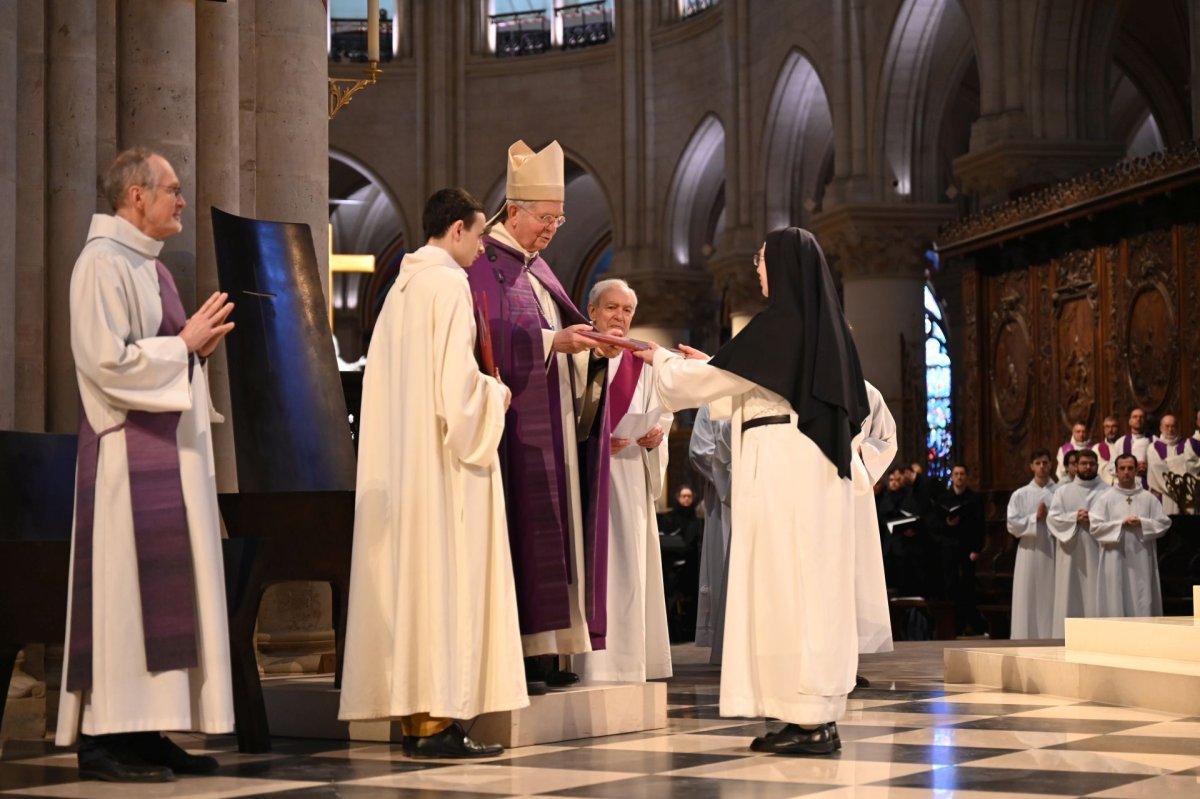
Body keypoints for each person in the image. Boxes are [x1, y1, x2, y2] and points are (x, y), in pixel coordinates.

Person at [633, 227, 870, 756]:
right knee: (809, 590)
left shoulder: (780, 325)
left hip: (783, 470)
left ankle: (807, 719)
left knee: (784, 587)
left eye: (762, 262)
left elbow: (704, 387)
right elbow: (741, 381)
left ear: (782, 267)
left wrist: (661, 361)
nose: (758, 272)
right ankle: (810, 715)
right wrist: (710, 364)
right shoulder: (824, 329)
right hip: (814, 471)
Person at [58, 148, 236, 781]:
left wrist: (196, 354)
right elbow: (105, 364)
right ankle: (105, 739)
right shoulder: (99, 264)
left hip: (165, 454)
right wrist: (181, 347)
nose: (181, 200)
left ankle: (148, 730)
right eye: (172, 190)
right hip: (123, 463)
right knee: (125, 600)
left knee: (161, 599)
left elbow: (158, 355)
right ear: (136, 196)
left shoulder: (150, 267)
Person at [338, 188, 523, 758]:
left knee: (415, 591)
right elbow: (457, 392)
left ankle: (423, 719)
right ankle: (437, 721)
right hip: (443, 468)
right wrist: (497, 395)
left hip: (404, 466)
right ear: (458, 230)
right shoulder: (447, 285)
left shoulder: (401, 287)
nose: (483, 246)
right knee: (443, 587)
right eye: (479, 234)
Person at [467, 141, 616, 690]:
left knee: (554, 532)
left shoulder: (536, 269)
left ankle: (552, 651)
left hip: (553, 423)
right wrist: (555, 342)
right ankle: (522, 653)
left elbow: (558, 336)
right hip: (517, 435)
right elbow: (488, 342)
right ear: (513, 212)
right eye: (546, 218)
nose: (552, 228)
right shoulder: (485, 264)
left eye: (559, 218)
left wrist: (589, 355)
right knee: (524, 531)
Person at [571, 279, 672, 683]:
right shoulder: (575, 354)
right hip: (589, 478)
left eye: (627, 311)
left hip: (630, 475)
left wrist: (655, 438)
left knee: (631, 567)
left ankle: (631, 660)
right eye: (612, 308)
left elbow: (661, 411)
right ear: (592, 310)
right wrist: (592, 438)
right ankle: (592, 662)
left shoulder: (641, 359)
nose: (620, 317)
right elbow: (564, 410)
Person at [851, 381, 897, 681]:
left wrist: (857, 451)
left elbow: (887, 440)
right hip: (814, 487)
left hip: (854, 491)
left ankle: (847, 665)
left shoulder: (866, 392)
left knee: (853, 574)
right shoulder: (805, 380)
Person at [1090, 454, 1169, 617]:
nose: (1126, 472)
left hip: (1142, 558)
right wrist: (1120, 524)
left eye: (1130, 468)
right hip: (1114, 558)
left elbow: (1164, 523)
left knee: (1142, 597)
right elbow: (1095, 528)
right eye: (1122, 468)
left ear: (1136, 471)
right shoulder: (1105, 499)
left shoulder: (1149, 499)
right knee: (1115, 597)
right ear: (1116, 472)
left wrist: (1142, 523)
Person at [1046, 449, 1107, 637]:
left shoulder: (1107, 491)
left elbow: (1115, 521)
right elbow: (1053, 519)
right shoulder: (1063, 492)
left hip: (1097, 551)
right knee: (1069, 595)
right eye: (1084, 463)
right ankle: (1067, 637)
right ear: (1075, 466)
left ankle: (1098, 637)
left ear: (1097, 466)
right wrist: (1074, 518)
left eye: (1091, 464)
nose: (1088, 467)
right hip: (1070, 553)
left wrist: (1093, 521)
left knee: (1096, 595)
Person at [690, 405, 732, 660]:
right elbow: (699, 450)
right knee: (725, 562)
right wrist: (735, 477)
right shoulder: (714, 399)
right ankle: (727, 645)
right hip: (726, 499)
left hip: (769, 493)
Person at [1006, 449, 1058, 639]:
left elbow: (1067, 519)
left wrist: (1051, 517)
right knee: (1027, 594)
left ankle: (1051, 636)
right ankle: (1025, 636)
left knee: (1051, 593)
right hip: (1029, 550)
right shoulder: (1021, 495)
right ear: (1031, 466)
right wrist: (1034, 518)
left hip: (1053, 550)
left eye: (1045, 463)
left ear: (1051, 465)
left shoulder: (1059, 492)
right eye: (1038, 463)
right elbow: (1012, 524)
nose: (1042, 467)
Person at [929, 464, 986, 635]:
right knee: (950, 586)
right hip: (948, 548)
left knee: (968, 586)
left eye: (962, 474)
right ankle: (951, 625)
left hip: (968, 549)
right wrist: (947, 523)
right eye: (956, 474)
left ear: (966, 477)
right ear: (952, 477)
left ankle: (968, 624)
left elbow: (980, 526)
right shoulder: (944, 498)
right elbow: (936, 524)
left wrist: (977, 549)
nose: (959, 477)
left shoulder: (974, 498)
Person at [1147, 414, 1185, 514]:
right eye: (1167, 426)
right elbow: (1157, 469)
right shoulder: (1153, 447)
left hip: (1183, 492)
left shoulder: (1186, 444)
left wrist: (1167, 463)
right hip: (1162, 493)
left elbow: (1188, 465)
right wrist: (1178, 461)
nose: (1170, 429)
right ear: (1161, 428)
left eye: (1173, 426)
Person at [1118, 407, 1153, 489]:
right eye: (1135, 417)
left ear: (1145, 421)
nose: (1138, 419)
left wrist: (1149, 467)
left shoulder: (1155, 440)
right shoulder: (1120, 442)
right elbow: (1113, 467)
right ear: (1129, 421)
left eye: (1141, 417)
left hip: (1148, 483)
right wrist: (1130, 468)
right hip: (1127, 485)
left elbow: (1160, 465)